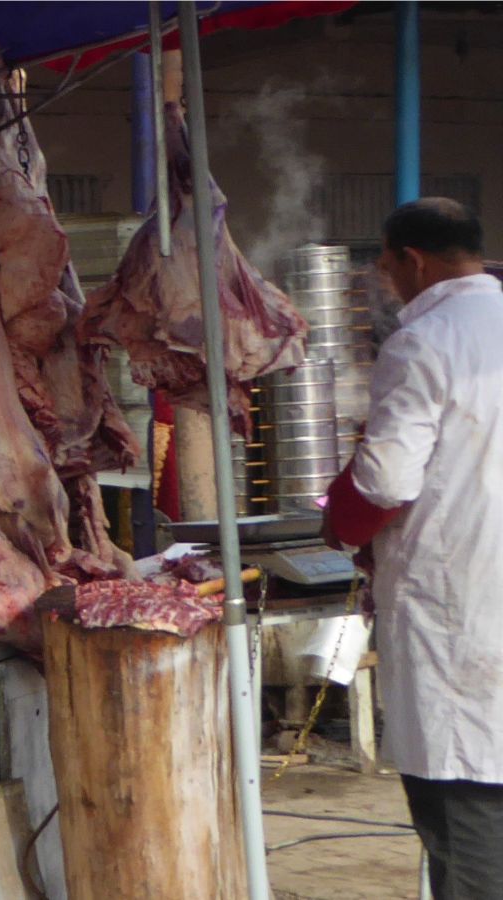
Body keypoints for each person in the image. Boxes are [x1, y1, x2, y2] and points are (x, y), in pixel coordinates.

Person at [320, 197, 503, 900]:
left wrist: (339, 523)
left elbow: (386, 480)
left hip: (460, 613)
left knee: (465, 823)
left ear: (413, 261)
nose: (385, 278)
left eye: (387, 264)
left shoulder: (424, 341)